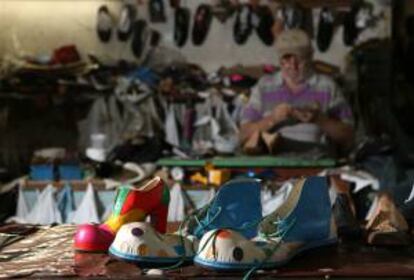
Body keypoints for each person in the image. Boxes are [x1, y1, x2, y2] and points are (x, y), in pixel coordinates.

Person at [240, 29, 354, 157]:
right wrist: (273, 119)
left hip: (317, 165)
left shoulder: (328, 87)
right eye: (287, 60)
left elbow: (349, 136)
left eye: (299, 60)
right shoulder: (263, 87)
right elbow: (243, 135)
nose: (293, 67)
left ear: (310, 57)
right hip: (272, 166)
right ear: (280, 60)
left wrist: (319, 119)